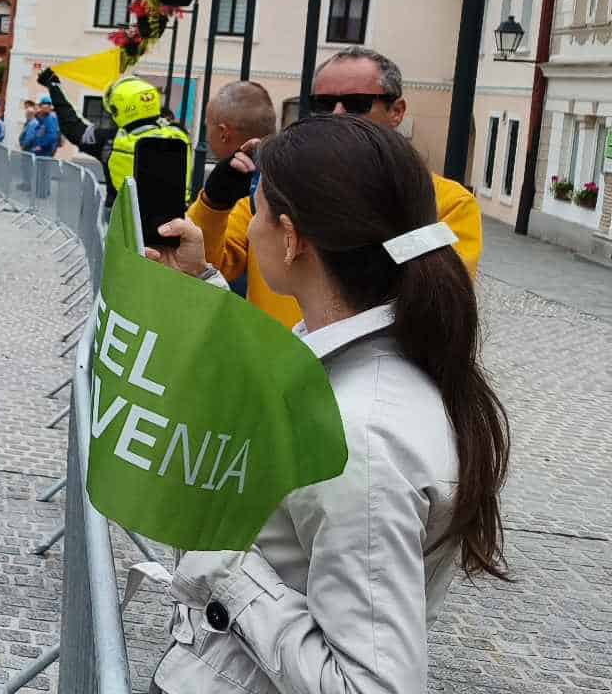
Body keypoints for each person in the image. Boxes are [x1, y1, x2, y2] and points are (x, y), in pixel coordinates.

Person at [141, 115, 510, 694]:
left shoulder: (358, 440)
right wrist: (201, 282)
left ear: (290, 238)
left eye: (255, 209)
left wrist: (229, 569)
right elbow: (280, 383)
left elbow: (369, 686)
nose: (249, 225)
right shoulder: (374, 357)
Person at [190, 48, 482, 329]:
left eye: (356, 103)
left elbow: (438, 302)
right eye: (324, 103)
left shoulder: (448, 202)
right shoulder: (276, 189)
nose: (337, 114)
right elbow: (213, 264)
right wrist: (214, 204)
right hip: (273, 370)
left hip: (364, 371)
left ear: (397, 111)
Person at [42, 71, 190, 203]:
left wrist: (53, 87)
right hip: (173, 223)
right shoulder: (179, 135)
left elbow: (72, 127)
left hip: (123, 224)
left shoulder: (110, 140)